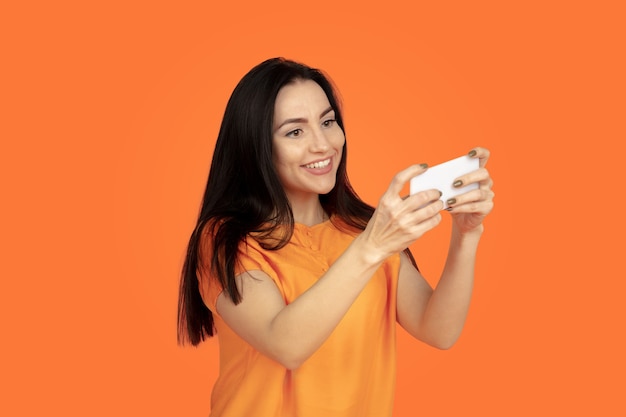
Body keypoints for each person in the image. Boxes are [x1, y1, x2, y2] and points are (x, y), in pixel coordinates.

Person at [177, 57, 494, 417]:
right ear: (257, 146)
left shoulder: (363, 228)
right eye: (295, 131)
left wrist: (466, 235)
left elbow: (438, 329)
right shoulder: (226, 239)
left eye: (328, 122)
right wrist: (372, 247)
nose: (323, 144)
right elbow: (286, 344)